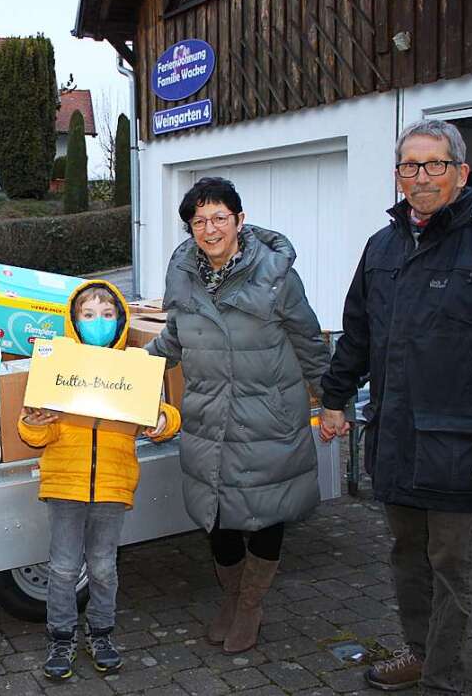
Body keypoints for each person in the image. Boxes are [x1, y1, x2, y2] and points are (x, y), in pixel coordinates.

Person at [320, 120, 472, 694]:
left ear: (461, 172)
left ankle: (443, 677)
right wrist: (334, 398)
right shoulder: (382, 247)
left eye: (434, 165)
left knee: (450, 565)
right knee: (406, 554)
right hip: (395, 439)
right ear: (398, 175)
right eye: (409, 166)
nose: (420, 177)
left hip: (460, 446)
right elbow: (357, 333)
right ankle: (420, 652)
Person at [145, 177, 330, 653]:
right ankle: (230, 598)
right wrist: (115, 369)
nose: (209, 229)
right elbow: (172, 341)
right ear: (190, 228)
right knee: (218, 514)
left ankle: (251, 605)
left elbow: (310, 340)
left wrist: (332, 399)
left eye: (219, 218)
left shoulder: (275, 276)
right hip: (209, 417)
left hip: (267, 415)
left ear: (239, 220)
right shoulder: (183, 275)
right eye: (199, 220)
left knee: (268, 511)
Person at [19, 280, 181, 681]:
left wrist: (163, 421)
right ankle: (60, 638)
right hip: (64, 484)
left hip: (112, 483)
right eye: (88, 315)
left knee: (104, 567)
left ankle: (102, 635)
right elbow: (35, 432)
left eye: (107, 315)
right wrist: (34, 422)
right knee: (62, 568)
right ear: (74, 320)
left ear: (120, 320)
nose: (98, 322)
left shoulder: (133, 367)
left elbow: (164, 415)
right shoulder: (57, 367)